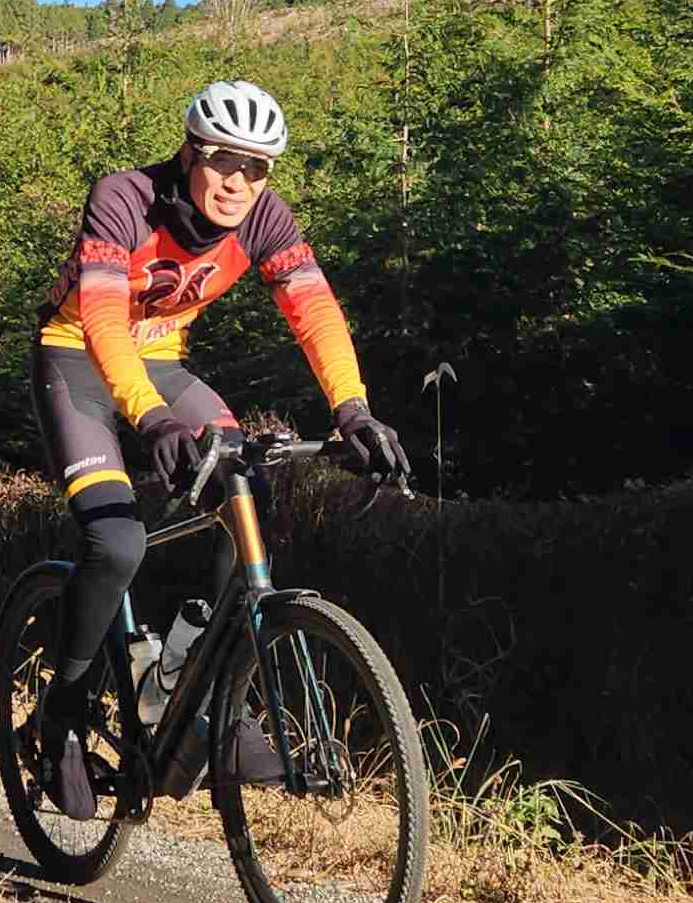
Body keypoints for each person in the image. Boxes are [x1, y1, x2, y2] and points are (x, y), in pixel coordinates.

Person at [25, 78, 410, 818]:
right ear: (190, 153)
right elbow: (101, 318)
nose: (238, 182)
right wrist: (150, 418)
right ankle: (61, 715)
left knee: (245, 497)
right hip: (76, 359)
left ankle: (192, 689)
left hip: (162, 364)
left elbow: (314, 310)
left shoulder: (264, 218)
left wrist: (353, 410)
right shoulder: (125, 199)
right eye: (223, 161)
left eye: (256, 167)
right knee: (116, 543)